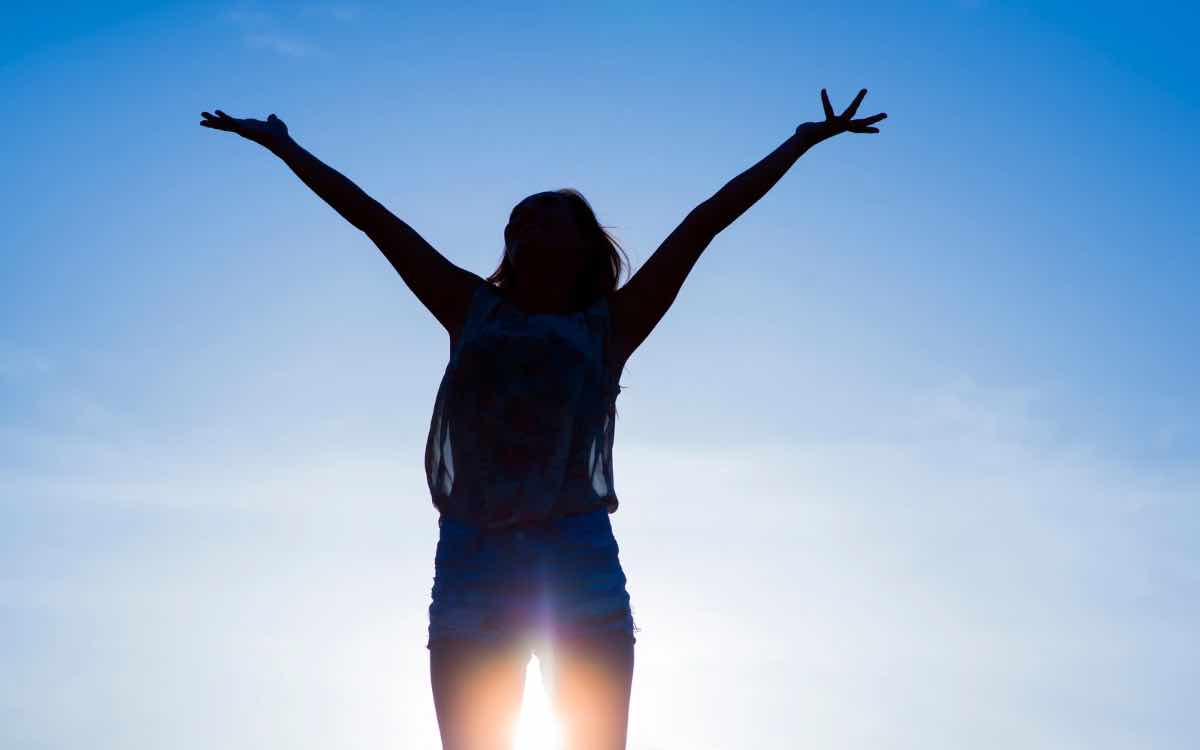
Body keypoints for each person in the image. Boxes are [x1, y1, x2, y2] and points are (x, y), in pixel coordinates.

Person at [199, 88, 886, 750]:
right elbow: (374, 220)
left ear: (584, 243)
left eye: (543, 213)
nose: (522, 220)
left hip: (577, 561)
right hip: (474, 559)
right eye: (516, 218)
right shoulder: (470, 308)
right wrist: (285, 149)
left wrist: (798, 144)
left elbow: (704, 221)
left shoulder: (610, 326)